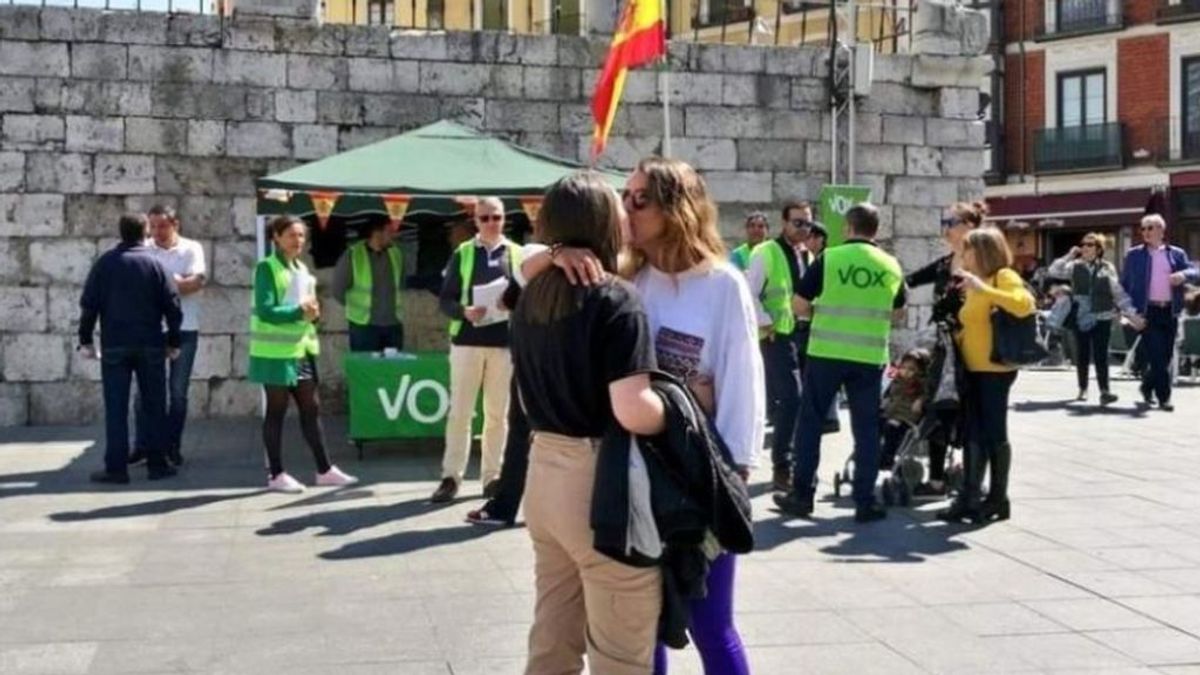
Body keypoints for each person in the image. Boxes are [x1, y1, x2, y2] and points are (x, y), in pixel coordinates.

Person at [512, 172, 665, 674]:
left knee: (552, 636)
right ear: (601, 222)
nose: (627, 211)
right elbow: (632, 410)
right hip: (595, 482)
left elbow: (523, 266)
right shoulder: (616, 300)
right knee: (620, 651)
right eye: (618, 204)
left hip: (544, 474)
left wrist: (554, 251)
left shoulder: (534, 294)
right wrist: (683, 401)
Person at [774, 203, 906, 523]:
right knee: (866, 430)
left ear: (847, 228)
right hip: (869, 358)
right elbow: (899, 313)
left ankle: (802, 495)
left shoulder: (829, 259)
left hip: (826, 354)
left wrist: (823, 314)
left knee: (811, 423)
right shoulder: (891, 265)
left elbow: (798, 305)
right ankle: (864, 501)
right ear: (876, 230)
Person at [249, 215, 357, 493]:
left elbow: (306, 314)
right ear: (276, 237)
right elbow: (266, 310)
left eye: (300, 235)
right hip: (274, 354)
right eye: (291, 235)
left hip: (300, 350)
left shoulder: (302, 269)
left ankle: (324, 469)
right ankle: (276, 474)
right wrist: (300, 311)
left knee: (312, 409)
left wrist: (313, 314)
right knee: (276, 412)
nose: (297, 241)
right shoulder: (267, 268)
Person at [937, 227, 1035, 524]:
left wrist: (984, 289)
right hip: (971, 368)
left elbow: (1025, 304)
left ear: (982, 252)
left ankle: (997, 498)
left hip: (995, 369)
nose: (962, 254)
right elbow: (973, 323)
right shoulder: (969, 283)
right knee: (972, 433)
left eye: (967, 249)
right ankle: (969, 496)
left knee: (994, 432)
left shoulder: (1003, 276)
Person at [78, 213, 182, 484]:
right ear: (145, 232)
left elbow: (89, 304)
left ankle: (116, 468)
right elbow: (173, 307)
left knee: (116, 408)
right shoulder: (156, 265)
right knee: (154, 406)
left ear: (120, 232)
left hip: (115, 345)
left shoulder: (105, 264)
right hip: (150, 344)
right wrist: (173, 341)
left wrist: (85, 339)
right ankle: (158, 464)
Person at [432, 197, 522, 503]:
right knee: (460, 412)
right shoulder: (463, 253)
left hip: (503, 344)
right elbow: (445, 300)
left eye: (496, 217)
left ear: (504, 219)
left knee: (498, 415)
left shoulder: (517, 254)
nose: (491, 223)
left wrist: (510, 304)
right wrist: (463, 311)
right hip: (468, 342)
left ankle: (492, 477)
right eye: (484, 218)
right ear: (476, 221)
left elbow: (529, 298)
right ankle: (451, 477)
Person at [902, 201, 983, 498]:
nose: (944, 228)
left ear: (968, 227)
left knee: (972, 415)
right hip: (945, 350)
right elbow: (907, 281)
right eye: (944, 222)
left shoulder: (982, 266)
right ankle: (937, 480)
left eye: (950, 222)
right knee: (938, 409)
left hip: (973, 351)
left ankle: (973, 481)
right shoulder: (944, 264)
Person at [129, 205, 206, 467]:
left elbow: (195, 283)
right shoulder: (144, 249)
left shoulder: (191, 248)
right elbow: (138, 289)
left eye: (162, 226)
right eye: (152, 226)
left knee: (178, 392)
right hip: (151, 330)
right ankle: (142, 444)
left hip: (185, 328)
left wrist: (159, 287)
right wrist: (175, 282)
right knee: (143, 393)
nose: (157, 232)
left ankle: (172, 445)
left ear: (176, 225)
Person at [745, 199, 811, 491]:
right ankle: (782, 465)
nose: (803, 228)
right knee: (791, 399)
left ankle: (797, 460)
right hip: (777, 336)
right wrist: (765, 322)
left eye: (807, 223)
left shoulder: (807, 255)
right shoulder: (766, 252)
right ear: (784, 223)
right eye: (798, 222)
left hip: (804, 335)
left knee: (802, 401)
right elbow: (749, 293)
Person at [1048, 233, 1143, 404]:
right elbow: (1053, 270)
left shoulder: (1107, 267)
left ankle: (1104, 391)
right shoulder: (1074, 265)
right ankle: (1083, 388)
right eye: (1083, 244)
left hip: (1103, 316)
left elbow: (1117, 292)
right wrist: (1070, 254)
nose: (1085, 247)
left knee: (1101, 355)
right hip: (1081, 316)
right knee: (1082, 354)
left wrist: (1131, 313)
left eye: (1090, 245)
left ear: (1098, 249)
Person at [1120, 214, 1200, 412]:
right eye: (1143, 228)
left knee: (1164, 358)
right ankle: (1164, 398)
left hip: (1170, 311)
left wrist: (1183, 275)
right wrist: (1129, 314)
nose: (1145, 232)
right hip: (1147, 312)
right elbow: (1124, 286)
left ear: (1161, 231)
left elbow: (1195, 273)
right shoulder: (1134, 255)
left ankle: (1146, 386)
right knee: (1156, 355)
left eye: (1150, 228)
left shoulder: (1176, 254)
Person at [331, 218, 405, 352]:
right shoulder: (353, 254)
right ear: (377, 233)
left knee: (393, 369)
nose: (395, 235)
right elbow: (338, 290)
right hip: (363, 325)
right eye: (390, 231)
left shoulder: (396, 253)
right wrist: (355, 308)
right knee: (364, 368)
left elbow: (402, 282)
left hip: (393, 323)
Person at [880, 348, 929, 470]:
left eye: (911, 369)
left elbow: (927, 395)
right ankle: (869, 454)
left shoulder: (922, 384)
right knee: (873, 425)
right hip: (891, 413)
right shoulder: (895, 379)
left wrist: (920, 400)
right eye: (903, 367)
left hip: (907, 419)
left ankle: (887, 459)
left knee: (892, 429)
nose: (905, 372)